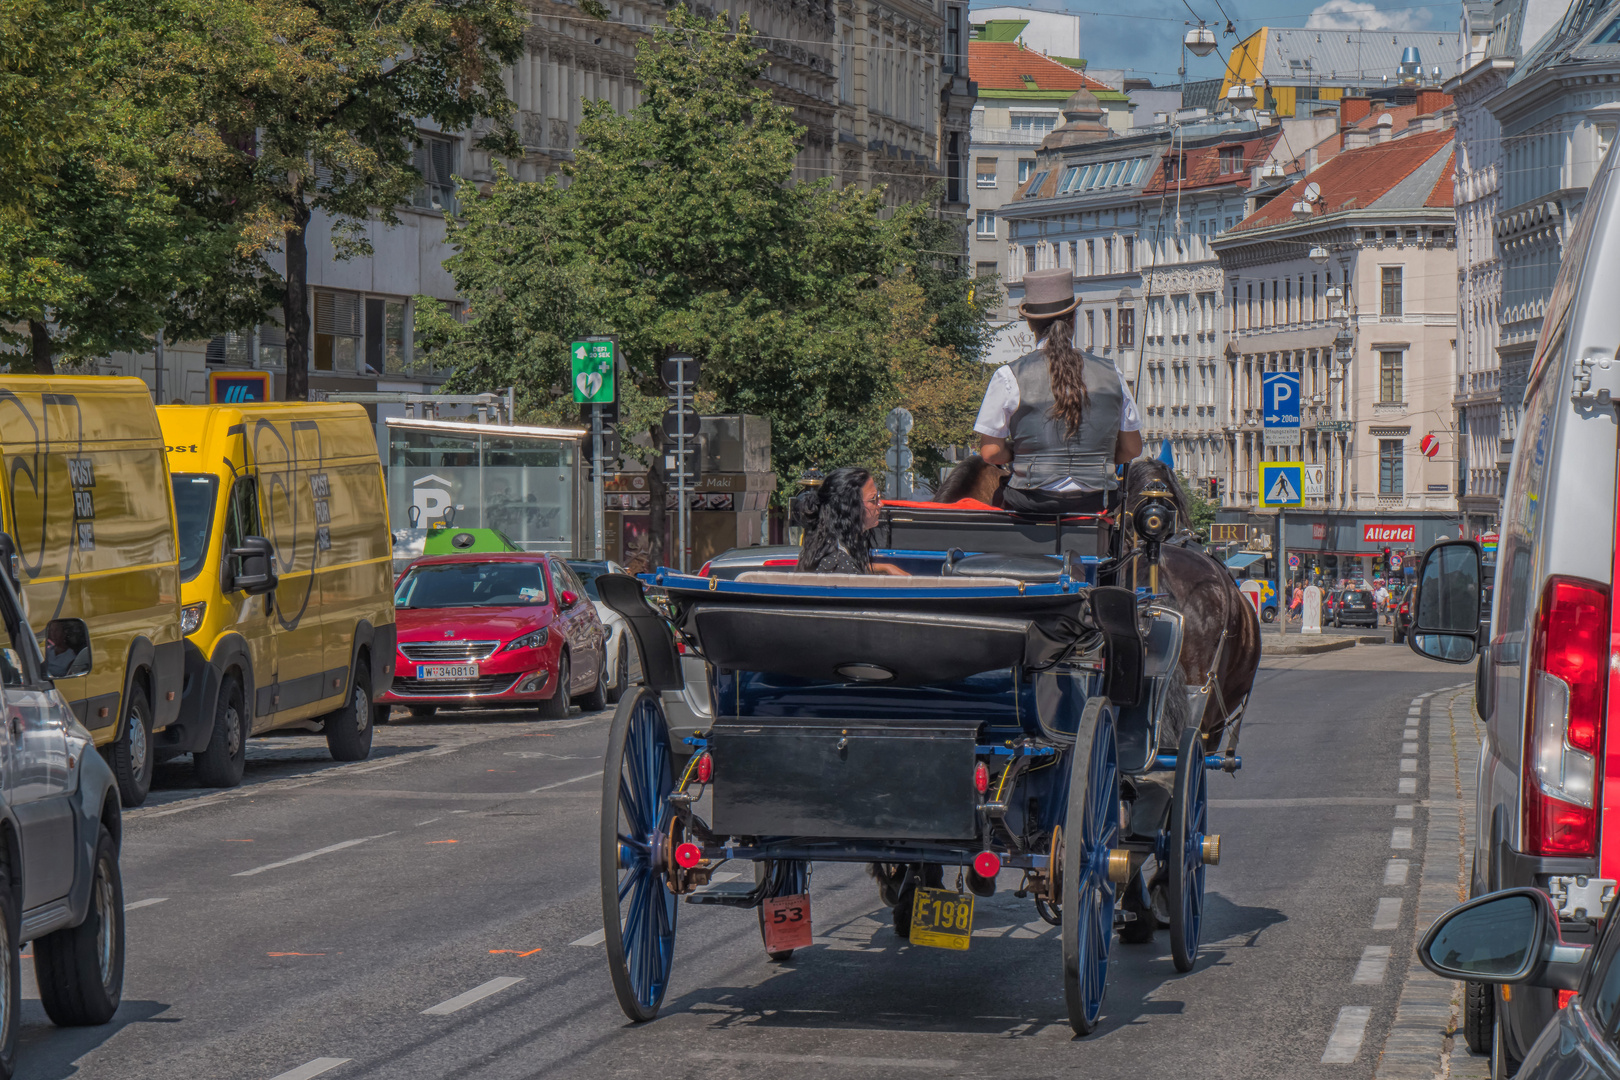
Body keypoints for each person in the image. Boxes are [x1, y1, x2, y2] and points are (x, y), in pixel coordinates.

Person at [973, 267, 1145, 514]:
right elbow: (1132, 449)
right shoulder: (1111, 372)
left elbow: (990, 452)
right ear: (1073, 319)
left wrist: (1020, 452)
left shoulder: (1009, 375)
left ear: (1030, 324)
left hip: (1032, 500)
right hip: (1097, 500)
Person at [795, 467, 906, 575]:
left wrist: (885, 567)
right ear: (851, 507)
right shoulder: (838, 566)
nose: (880, 504)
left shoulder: (829, 546)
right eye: (874, 499)